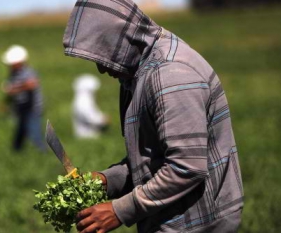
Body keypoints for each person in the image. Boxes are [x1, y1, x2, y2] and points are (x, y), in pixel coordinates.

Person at [62, 0, 244, 232]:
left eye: (102, 55)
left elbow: (185, 167)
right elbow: (151, 158)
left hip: (199, 221)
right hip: (173, 216)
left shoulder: (171, 76)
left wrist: (119, 210)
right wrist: (107, 181)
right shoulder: (137, 71)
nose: (101, 68)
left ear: (120, 41)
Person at [1, 45, 46, 152]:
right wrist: (7, 102)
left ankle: (43, 152)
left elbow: (31, 85)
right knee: (20, 132)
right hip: (21, 108)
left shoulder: (28, 72)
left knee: (34, 132)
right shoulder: (13, 74)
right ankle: (17, 151)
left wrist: (13, 89)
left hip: (32, 108)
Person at [73, 74, 110, 139]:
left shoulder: (84, 99)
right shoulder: (83, 101)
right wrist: (103, 119)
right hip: (86, 136)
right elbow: (90, 117)